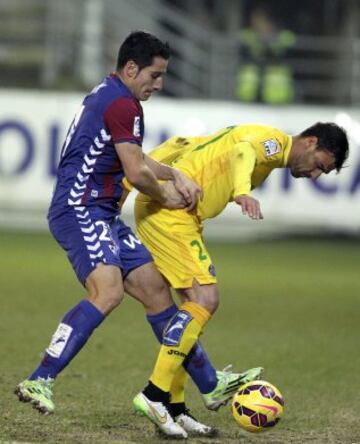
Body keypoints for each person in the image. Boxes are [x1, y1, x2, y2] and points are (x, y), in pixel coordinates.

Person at [14, 31, 261, 439]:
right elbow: (135, 171)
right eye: (155, 75)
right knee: (107, 291)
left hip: (103, 213)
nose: (159, 84)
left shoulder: (112, 96)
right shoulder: (124, 103)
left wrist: (174, 172)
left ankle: (210, 383)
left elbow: (137, 157)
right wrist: (166, 193)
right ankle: (40, 378)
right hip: (80, 210)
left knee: (156, 290)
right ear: (132, 68)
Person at [132, 122, 349, 434]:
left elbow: (187, 142)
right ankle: (154, 394)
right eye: (319, 166)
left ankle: (174, 407)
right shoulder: (271, 142)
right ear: (310, 141)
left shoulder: (264, 140)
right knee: (206, 299)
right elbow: (242, 151)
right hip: (170, 214)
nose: (315, 176)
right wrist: (242, 192)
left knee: (190, 311)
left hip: (174, 213)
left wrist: (142, 171)